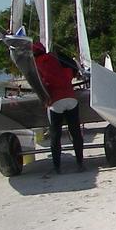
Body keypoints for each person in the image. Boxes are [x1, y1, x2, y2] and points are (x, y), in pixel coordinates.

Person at [32, 41, 85, 173]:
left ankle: (57, 167)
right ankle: (80, 163)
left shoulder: (35, 64)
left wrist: (45, 98)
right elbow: (71, 67)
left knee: (55, 135)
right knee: (75, 133)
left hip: (55, 100)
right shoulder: (55, 56)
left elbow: (39, 84)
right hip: (71, 97)